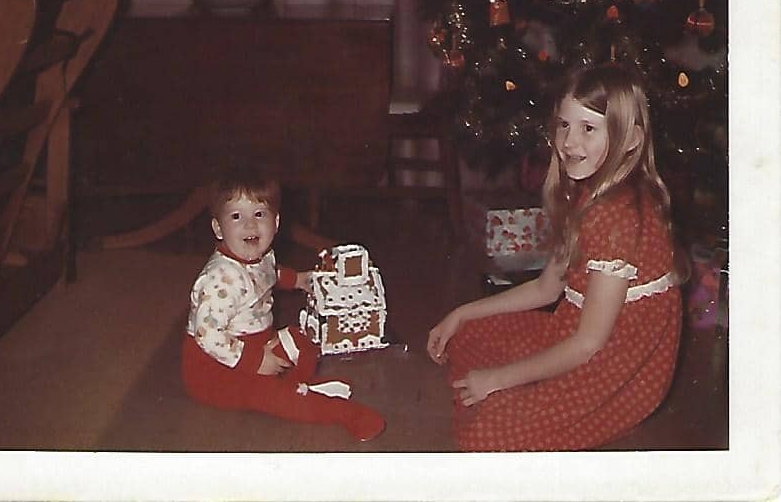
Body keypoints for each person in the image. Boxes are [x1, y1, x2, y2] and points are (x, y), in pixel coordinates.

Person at [427, 63, 684, 451]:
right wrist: (463, 312)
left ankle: (533, 402)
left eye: (588, 128)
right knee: (467, 335)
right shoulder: (588, 191)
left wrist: (497, 379)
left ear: (630, 139)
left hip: (616, 370)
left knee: (485, 434)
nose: (569, 142)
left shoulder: (620, 218)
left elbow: (588, 346)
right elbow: (549, 287)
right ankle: (514, 389)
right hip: (575, 330)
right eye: (564, 125)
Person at [181, 166, 385, 442]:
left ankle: (299, 384)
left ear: (275, 223)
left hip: (255, 342)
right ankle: (344, 414)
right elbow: (208, 335)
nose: (250, 225)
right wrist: (254, 361)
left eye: (259, 214)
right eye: (237, 216)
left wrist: (298, 279)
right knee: (267, 395)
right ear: (218, 227)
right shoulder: (219, 280)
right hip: (215, 370)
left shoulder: (261, 256)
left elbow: (268, 275)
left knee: (303, 340)